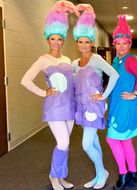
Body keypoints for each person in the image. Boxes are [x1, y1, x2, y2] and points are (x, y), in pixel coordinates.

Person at [21, 1, 75, 190]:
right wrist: (44, 92)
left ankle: (61, 177)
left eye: (59, 39)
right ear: (47, 39)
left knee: (65, 145)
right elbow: (25, 80)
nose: (56, 43)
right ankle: (54, 176)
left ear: (63, 40)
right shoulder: (43, 60)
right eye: (53, 39)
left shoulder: (67, 59)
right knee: (63, 142)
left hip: (69, 106)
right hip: (54, 108)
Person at [72, 4, 119, 189]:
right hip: (82, 107)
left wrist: (104, 96)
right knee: (94, 142)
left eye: (87, 42)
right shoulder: (75, 63)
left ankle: (103, 172)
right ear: (76, 42)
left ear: (91, 42)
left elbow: (114, 75)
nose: (84, 45)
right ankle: (100, 174)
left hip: (93, 106)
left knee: (85, 145)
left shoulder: (97, 59)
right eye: (80, 42)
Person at [106, 15, 137, 190]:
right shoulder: (116, 60)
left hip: (126, 104)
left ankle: (123, 174)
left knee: (112, 139)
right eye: (118, 43)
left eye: (125, 43)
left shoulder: (130, 59)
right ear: (114, 45)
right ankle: (134, 173)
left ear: (129, 45)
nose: (121, 46)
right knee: (125, 141)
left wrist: (136, 93)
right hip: (117, 103)